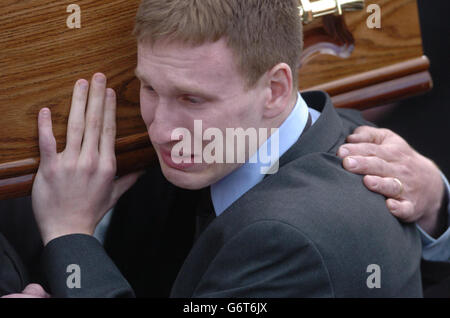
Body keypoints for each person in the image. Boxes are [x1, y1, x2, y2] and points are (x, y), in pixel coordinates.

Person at [1, 0, 449, 297]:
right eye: (149, 88)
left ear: (275, 89)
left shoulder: (282, 238)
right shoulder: (323, 129)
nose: (161, 130)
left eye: (192, 99)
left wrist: (68, 234)